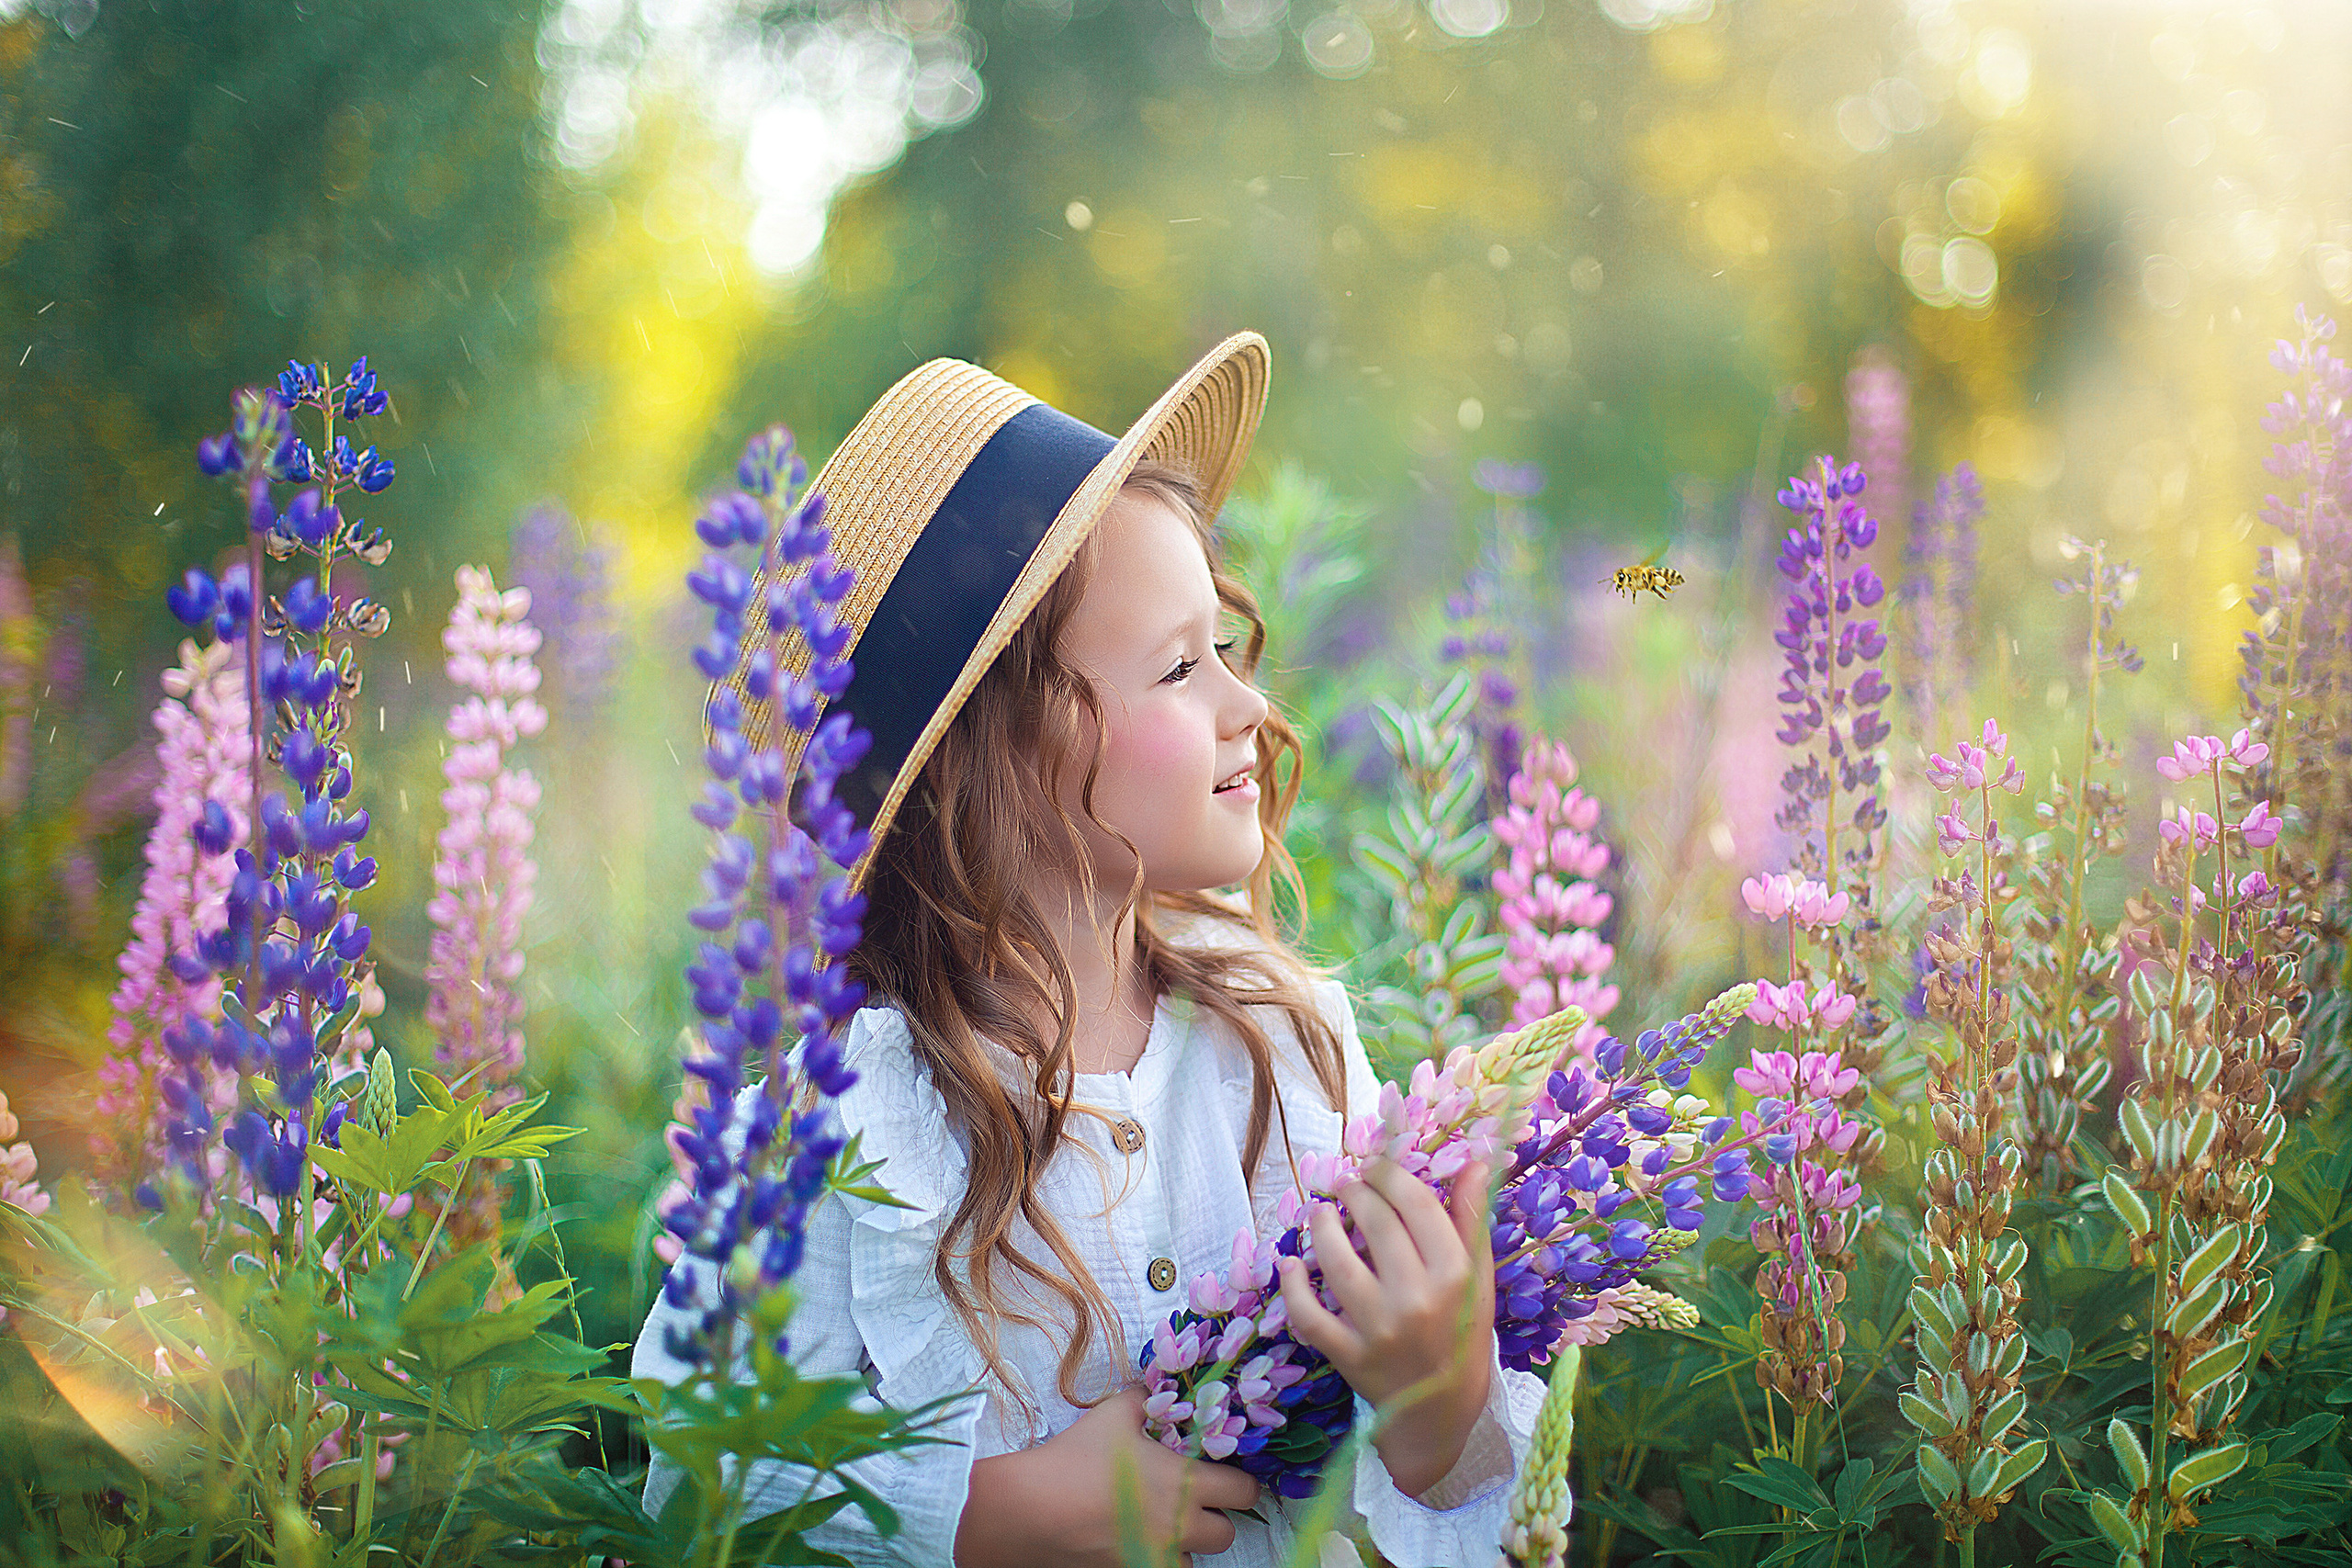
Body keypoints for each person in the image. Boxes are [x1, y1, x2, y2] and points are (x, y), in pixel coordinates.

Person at [634, 333, 1544, 1565]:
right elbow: (699, 1482)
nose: (1251, 708)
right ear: (995, 764)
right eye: (1179, 667)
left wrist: (1440, 1404)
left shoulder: (1292, 1048)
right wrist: (977, 1515)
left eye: (1226, 650)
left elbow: (1441, 1500)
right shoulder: (842, 1114)